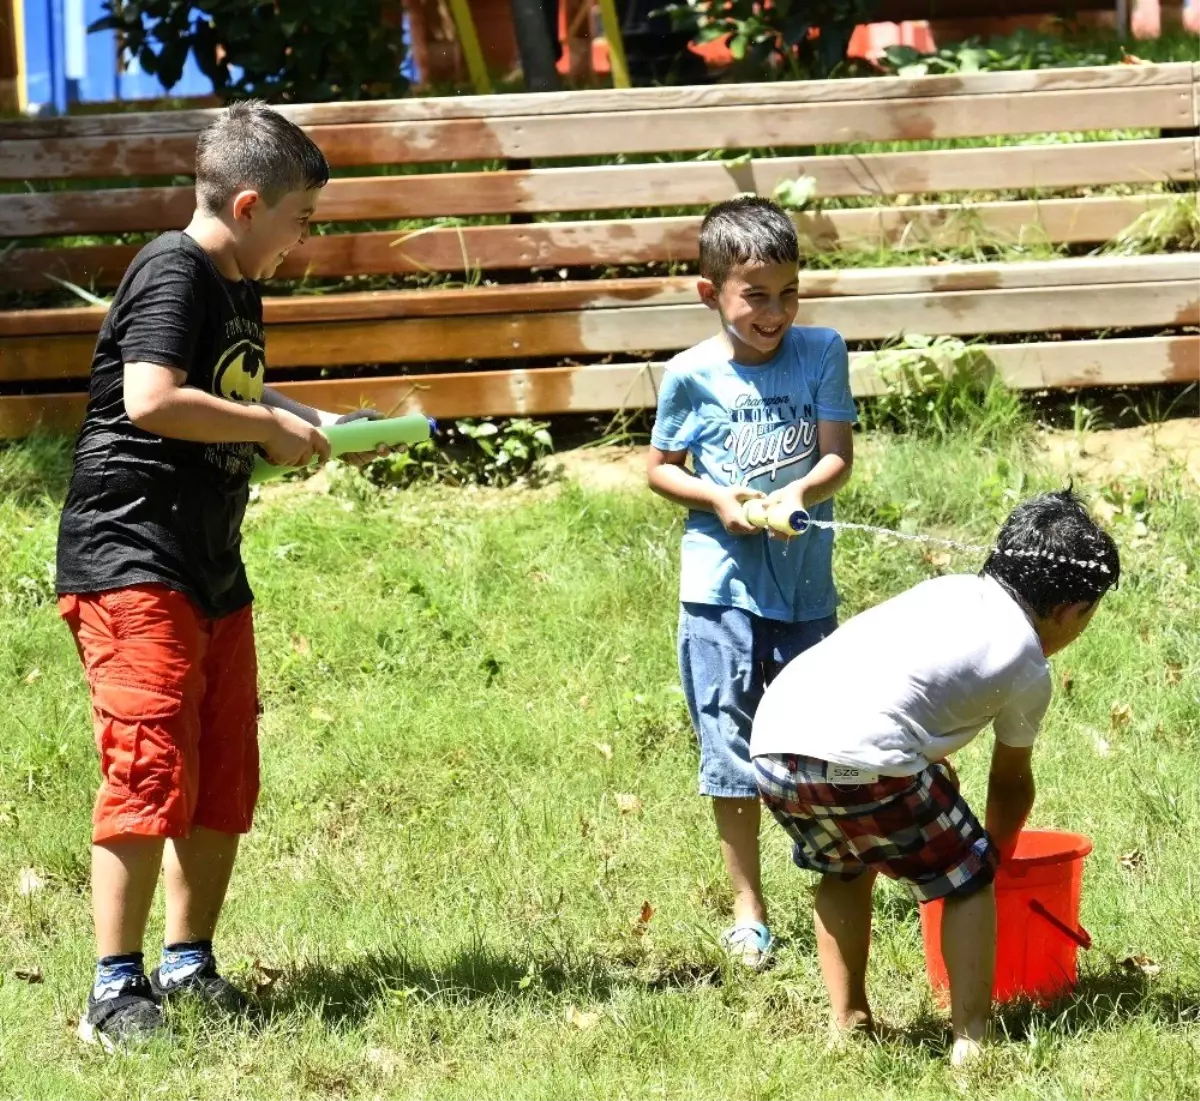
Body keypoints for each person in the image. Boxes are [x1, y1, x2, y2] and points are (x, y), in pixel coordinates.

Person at [55, 100, 383, 1049]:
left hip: (208, 565)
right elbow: (152, 398)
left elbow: (231, 391)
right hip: (131, 559)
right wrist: (266, 426)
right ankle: (114, 989)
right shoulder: (174, 268)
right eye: (300, 220)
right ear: (247, 205)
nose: (303, 240)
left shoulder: (237, 281)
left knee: (222, 767)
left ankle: (188, 963)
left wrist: (311, 422)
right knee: (149, 765)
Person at [750, 489, 1120, 1063]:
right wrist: (991, 858)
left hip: (775, 750)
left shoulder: (947, 591)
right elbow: (1011, 785)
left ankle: (849, 1025)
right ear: (1074, 610)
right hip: (864, 762)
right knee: (965, 876)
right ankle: (971, 1042)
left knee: (846, 866)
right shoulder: (1028, 663)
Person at [647, 196, 857, 967]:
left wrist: (800, 491)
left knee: (817, 738)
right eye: (756, 296)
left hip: (805, 591)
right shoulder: (689, 375)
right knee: (728, 745)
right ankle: (749, 909)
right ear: (711, 293)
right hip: (719, 591)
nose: (775, 312)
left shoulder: (822, 350)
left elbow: (837, 456)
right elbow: (660, 469)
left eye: (789, 293)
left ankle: (837, 876)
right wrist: (717, 499)